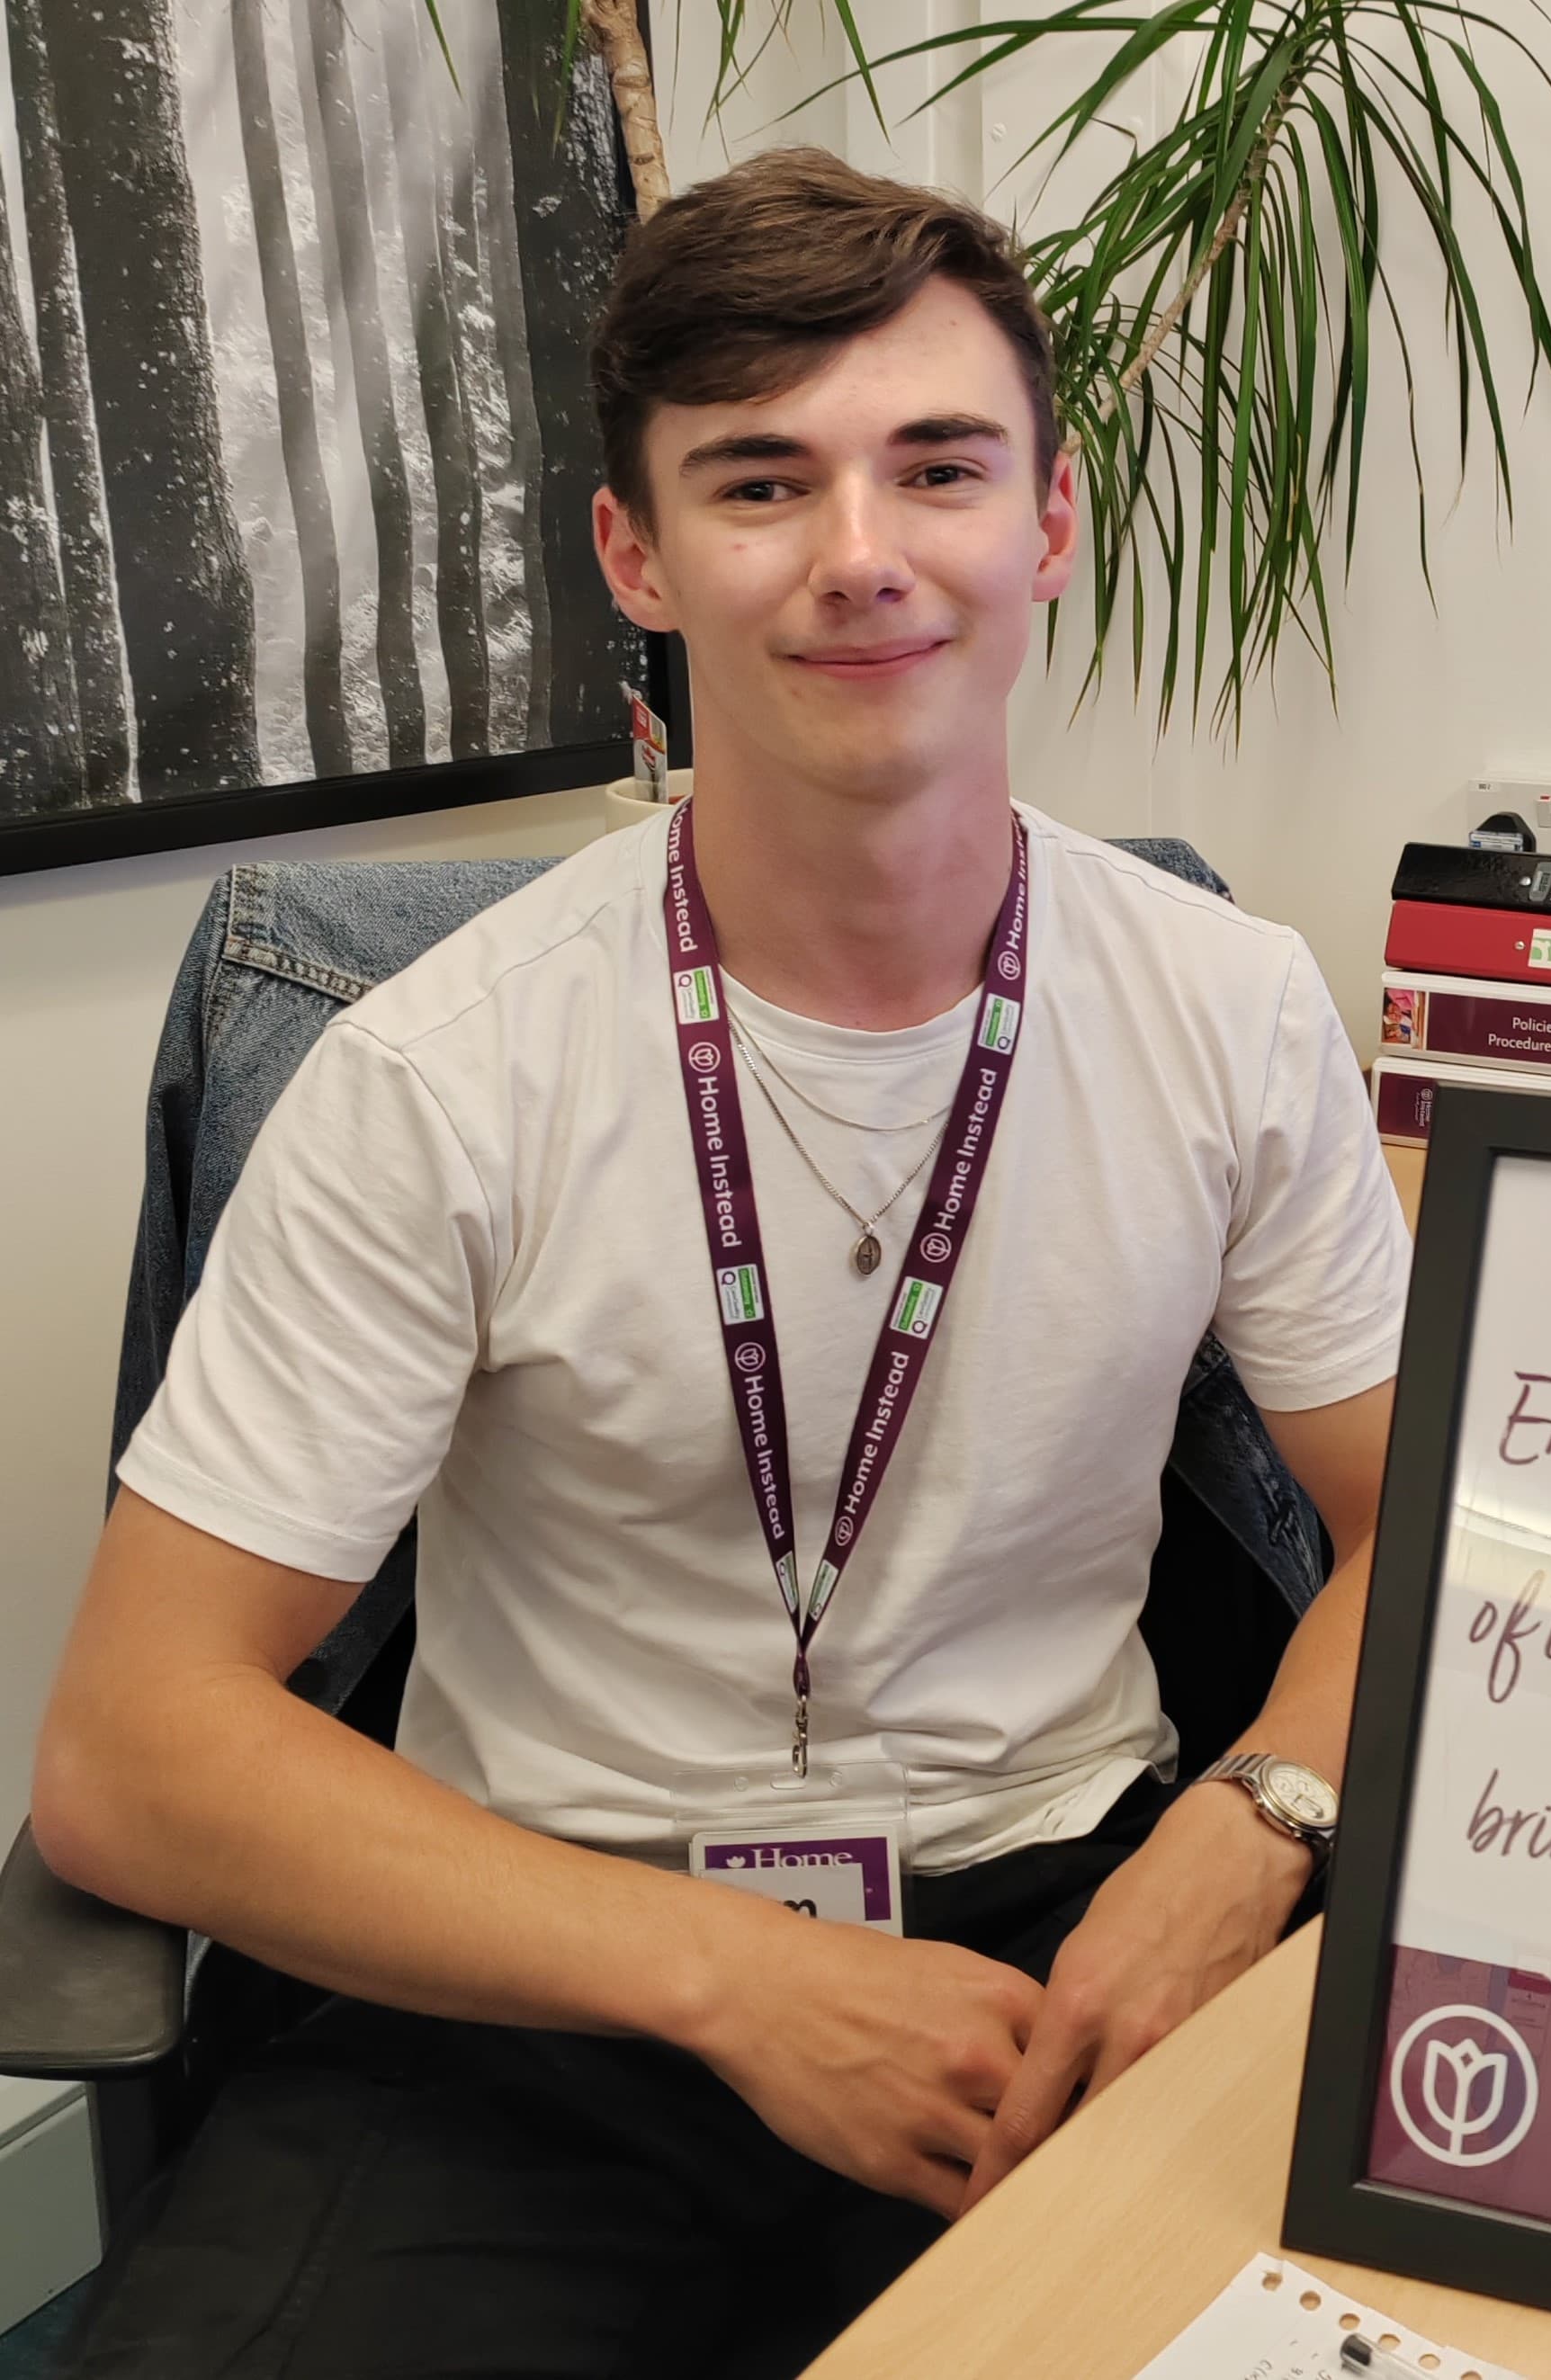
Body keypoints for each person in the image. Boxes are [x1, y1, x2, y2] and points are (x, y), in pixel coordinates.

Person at [32, 147, 1408, 2378]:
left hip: (1075, 1944)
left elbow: (1425, 1524)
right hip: (543, 1979)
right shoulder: (438, 1073)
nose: (861, 559)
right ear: (636, 557)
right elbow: (136, 1748)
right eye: (759, 484)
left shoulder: (1229, 1006)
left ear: (1048, 522)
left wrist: (1255, 1827)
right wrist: (740, 1978)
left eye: (937, 469)